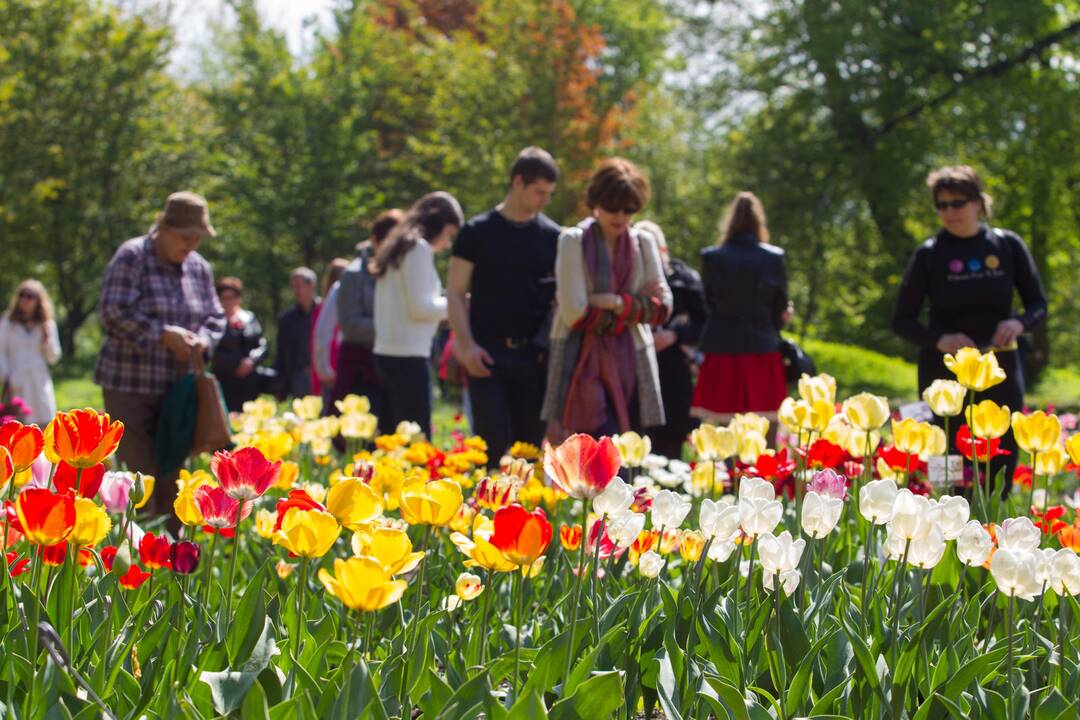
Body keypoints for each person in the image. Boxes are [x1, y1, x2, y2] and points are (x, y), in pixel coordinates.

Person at [892, 165, 1047, 496]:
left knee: (1000, 458)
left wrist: (1017, 322)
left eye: (957, 203)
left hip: (1000, 368)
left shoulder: (1006, 246)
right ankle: (948, 533)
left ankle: (996, 532)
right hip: (944, 375)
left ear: (979, 202)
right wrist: (940, 339)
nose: (949, 212)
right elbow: (902, 320)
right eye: (941, 205)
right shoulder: (929, 254)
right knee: (948, 467)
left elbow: (1039, 305)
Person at [94, 191, 225, 520]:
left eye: (198, 237)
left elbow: (216, 317)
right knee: (138, 477)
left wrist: (204, 340)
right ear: (163, 228)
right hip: (131, 387)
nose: (192, 244)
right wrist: (161, 335)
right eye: (186, 236)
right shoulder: (132, 256)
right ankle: (134, 548)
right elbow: (112, 312)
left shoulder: (199, 268)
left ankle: (168, 557)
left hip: (178, 392)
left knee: (173, 478)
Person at [541, 157, 672, 441]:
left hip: (634, 360)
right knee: (593, 445)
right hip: (579, 359)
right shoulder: (572, 241)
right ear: (596, 201)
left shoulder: (644, 242)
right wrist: (636, 307)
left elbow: (663, 310)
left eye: (629, 208)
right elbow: (575, 314)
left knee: (632, 447)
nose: (620, 216)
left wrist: (614, 303)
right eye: (613, 207)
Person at [447, 147, 561, 456]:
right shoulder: (476, 232)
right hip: (487, 357)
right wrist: (466, 345)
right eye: (540, 192)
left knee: (530, 454)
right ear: (518, 182)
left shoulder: (554, 237)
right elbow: (455, 291)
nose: (545, 200)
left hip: (535, 360)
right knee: (491, 452)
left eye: (549, 193)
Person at [692, 192, 792, 427]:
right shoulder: (774, 258)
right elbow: (780, 307)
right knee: (766, 427)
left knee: (725, 431)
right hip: (763, 346)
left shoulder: (712, 257)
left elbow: (708, 303)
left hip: (722, 346)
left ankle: (728, 466)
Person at [372, 192, 464, 437]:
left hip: (387, 353)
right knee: (416, 440)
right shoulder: (418, 249)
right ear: (438, 225)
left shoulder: (397, 246)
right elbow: (420, 308)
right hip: (408, 358)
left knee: (391, 440)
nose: (447, 244)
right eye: (449, 235)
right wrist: (458, 304)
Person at [634, 221, 707, 460]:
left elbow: (705, 324)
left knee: (670, 446)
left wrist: (675, 335)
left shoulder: (685, 281)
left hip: (674, 374)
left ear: (663, 251)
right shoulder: (627, 277)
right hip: (636, 372)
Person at [334, 210, 405, 429]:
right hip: (361, 369)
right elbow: (350, 324)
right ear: (375, 240)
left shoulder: (401, 272)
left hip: (393, 366)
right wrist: (391, 327)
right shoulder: (354, 274)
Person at [0, 280, 62, 425]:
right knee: (17, 423)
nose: (25, 300)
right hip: (15, 379)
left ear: (38, 300)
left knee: (44, 422)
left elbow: (53, 357)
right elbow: (1, 351)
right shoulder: (8, 323)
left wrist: (48, 340)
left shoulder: (47, 324)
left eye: (30, 296)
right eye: (23, 295)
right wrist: (7, 375)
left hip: (39, 380)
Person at [211, 277, 268, 412]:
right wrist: (237, 363)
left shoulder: (249, 318)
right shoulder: (214, 321)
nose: (228, 302)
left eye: (232, 297)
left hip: (249, 382)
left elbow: (262, 344)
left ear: (238, 298)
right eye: (224, 298)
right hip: (225, 381)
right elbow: (213, 351)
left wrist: (251, 361)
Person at [274, 267, 318, 400]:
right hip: (298, 379)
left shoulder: (325, 313)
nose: (296, 291)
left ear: (311, 286)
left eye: (299, 286)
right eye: (293, 287)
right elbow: (281, 355)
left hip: (322, 377)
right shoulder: (287, 319)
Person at [311, 258, 349, 403]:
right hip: (333, 365)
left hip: (330, 365)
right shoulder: (324, 307)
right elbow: (320, 337)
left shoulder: (321, 307)